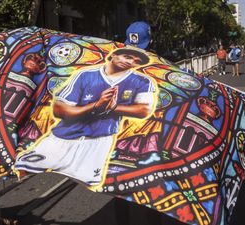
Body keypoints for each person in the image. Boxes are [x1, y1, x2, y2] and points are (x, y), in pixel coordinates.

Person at [14, 48, 157, 185]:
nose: (130, 62)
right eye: (127, 56)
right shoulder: (86, 75)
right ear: (113, 55)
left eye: (136, 61)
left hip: (98, 141)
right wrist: (95, 105)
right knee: (22, 167)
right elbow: (59, 109)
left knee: (92, 184)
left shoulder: (142, 81)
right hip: (64, 135)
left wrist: (113, 107)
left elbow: (144, 109)